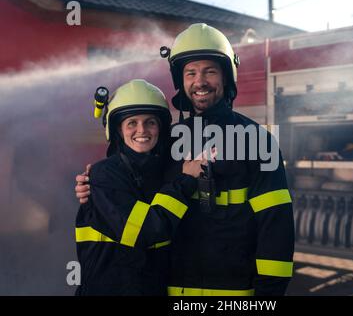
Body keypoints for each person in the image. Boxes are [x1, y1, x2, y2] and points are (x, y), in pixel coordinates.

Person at [76, 23, 295, 296]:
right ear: (181, 81)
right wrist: (93, 181)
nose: (200, 81)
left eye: (210, 72)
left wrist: (268, 297)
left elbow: (276, 226)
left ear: (227, 77)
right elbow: (131, 185)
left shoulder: (256, 141)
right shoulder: (168, 141)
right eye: (190, 73)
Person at [75, 79, 207, 295]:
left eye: (150, 122)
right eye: (132, 123)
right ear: (118, 129)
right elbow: (145, 232)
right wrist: (186, 182)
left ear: (161, 128)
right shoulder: (103, 175)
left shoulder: (158, 172)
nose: (142, 130)